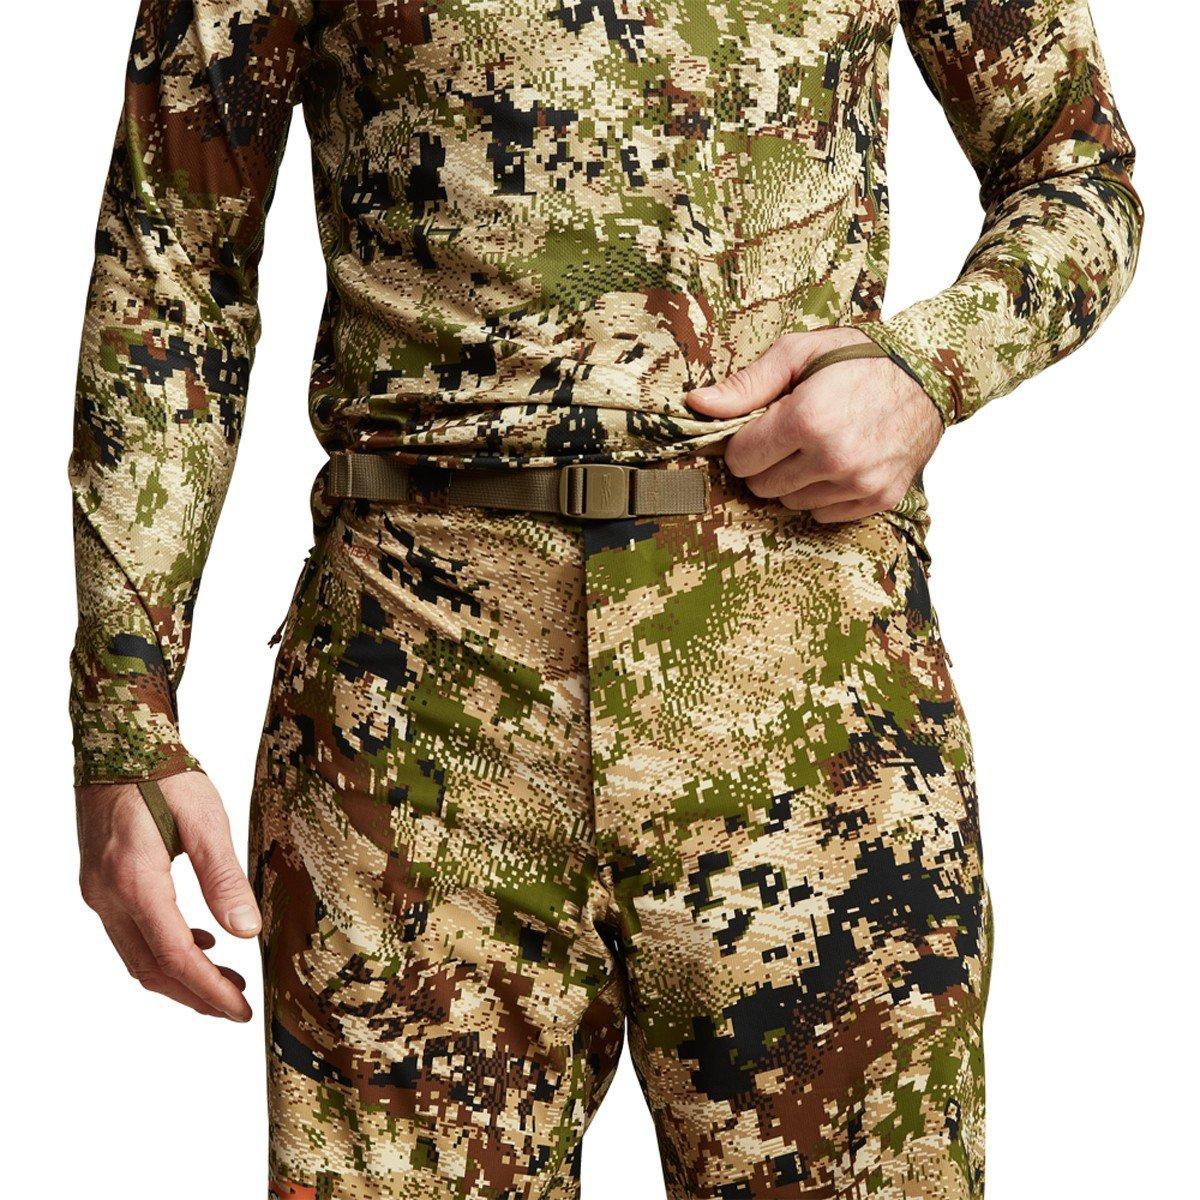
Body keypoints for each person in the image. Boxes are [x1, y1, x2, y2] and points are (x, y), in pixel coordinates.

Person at [70, 1, 1141, 1196]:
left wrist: (927, 369)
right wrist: (123, 723)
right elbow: (171, 263)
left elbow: (1076, 168)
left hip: (810, 705)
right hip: (413, 714)